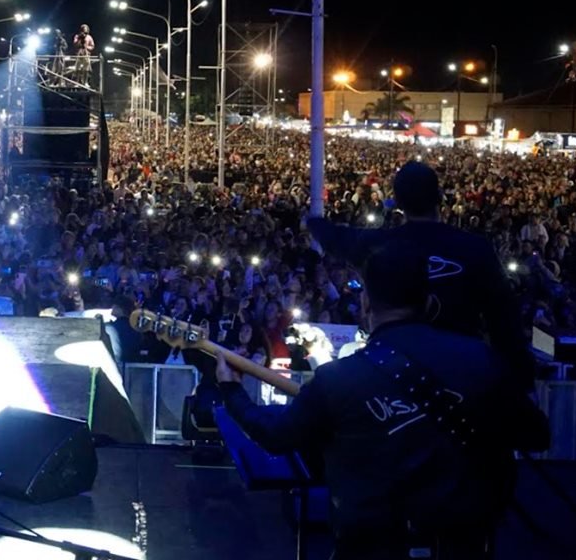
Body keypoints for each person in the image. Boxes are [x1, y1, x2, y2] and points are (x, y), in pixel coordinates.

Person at [215, 241, 549, 560]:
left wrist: (231, 390)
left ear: (365, 305)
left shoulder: (338, 378)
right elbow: (536, 435)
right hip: (463, 545)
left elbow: (275, 435)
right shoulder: (481, 358)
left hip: (371, 546)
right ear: (430, 304)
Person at [306, 161, 533, 386]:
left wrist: (313, 220)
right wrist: (519, 376)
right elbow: (504, 318)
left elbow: (334, 237)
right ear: (439, 198)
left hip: (395, 372)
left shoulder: (379, 245)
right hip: (461, 372)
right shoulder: (475, 248)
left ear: (398, 202)